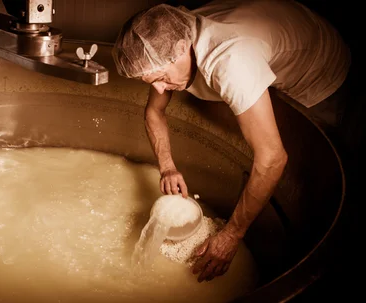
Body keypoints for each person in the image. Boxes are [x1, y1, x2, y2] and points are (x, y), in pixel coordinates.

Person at [112, 0, 351, 282]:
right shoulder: (171, 37)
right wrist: (167, 167)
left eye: (163, 78)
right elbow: (154, 111)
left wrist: (231, 234)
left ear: (180, 49)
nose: (160, 89)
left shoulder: (232, 61)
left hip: (317, 67)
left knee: (314, 164)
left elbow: (273, 159)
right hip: (266, 39)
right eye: (151, 82)